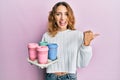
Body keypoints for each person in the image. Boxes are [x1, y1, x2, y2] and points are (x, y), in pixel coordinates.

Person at [41, 1, 99, 80]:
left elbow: (82, 64)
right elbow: (43, 61)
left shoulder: (78, 35)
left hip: (70, 77)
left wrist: (86, 45)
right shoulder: (46, 36)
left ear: (70, 16)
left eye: (66, 14)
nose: (62, 18)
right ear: (53, 16)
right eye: (58, 14)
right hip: (51, 77)